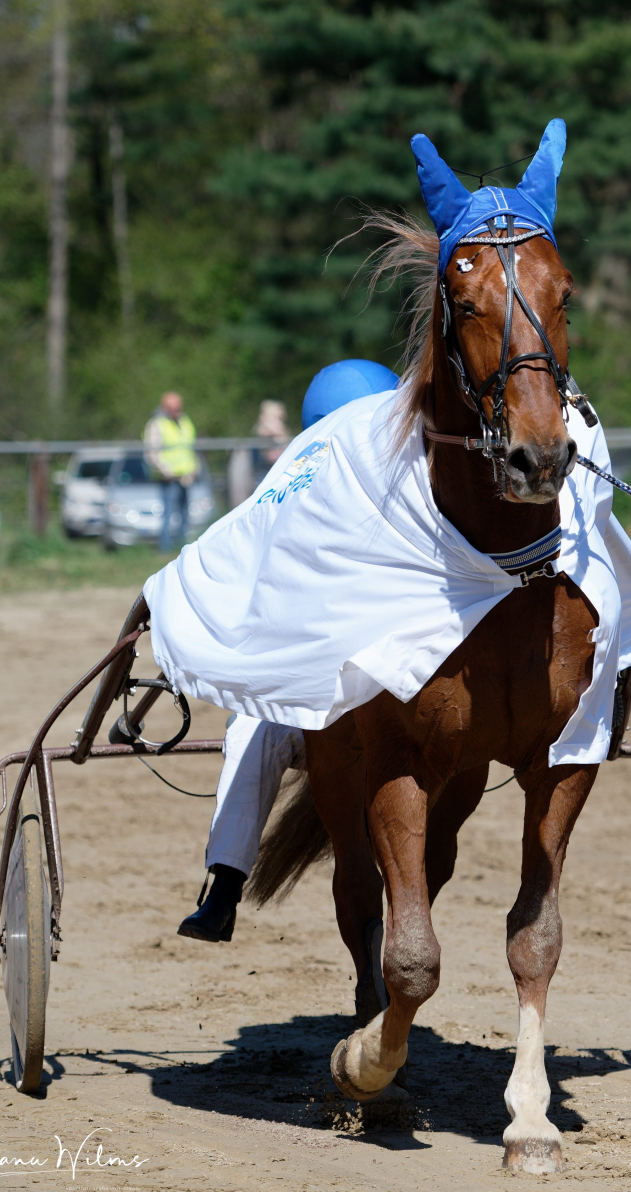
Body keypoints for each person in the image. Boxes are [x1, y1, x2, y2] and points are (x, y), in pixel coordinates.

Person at [178, 360, 400, 943]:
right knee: (252, 726)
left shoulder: (415, 494)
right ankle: (226, 884)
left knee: (252, 731)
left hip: (390, 677)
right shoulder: (290, 492)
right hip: (312, 683)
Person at [143, 391, 198, 552]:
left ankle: (183, 548)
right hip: (169, 478)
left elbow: (190, 448)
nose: (176, 410)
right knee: (168, 514)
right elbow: (152, 452)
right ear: (165, 407)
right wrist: (166, 471)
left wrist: (195, 469)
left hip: (187, 476)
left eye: (178, 407)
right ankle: (165, 549)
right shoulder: (157, 423)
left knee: (185, 514)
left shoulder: (185, 421)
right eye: (173, 407)